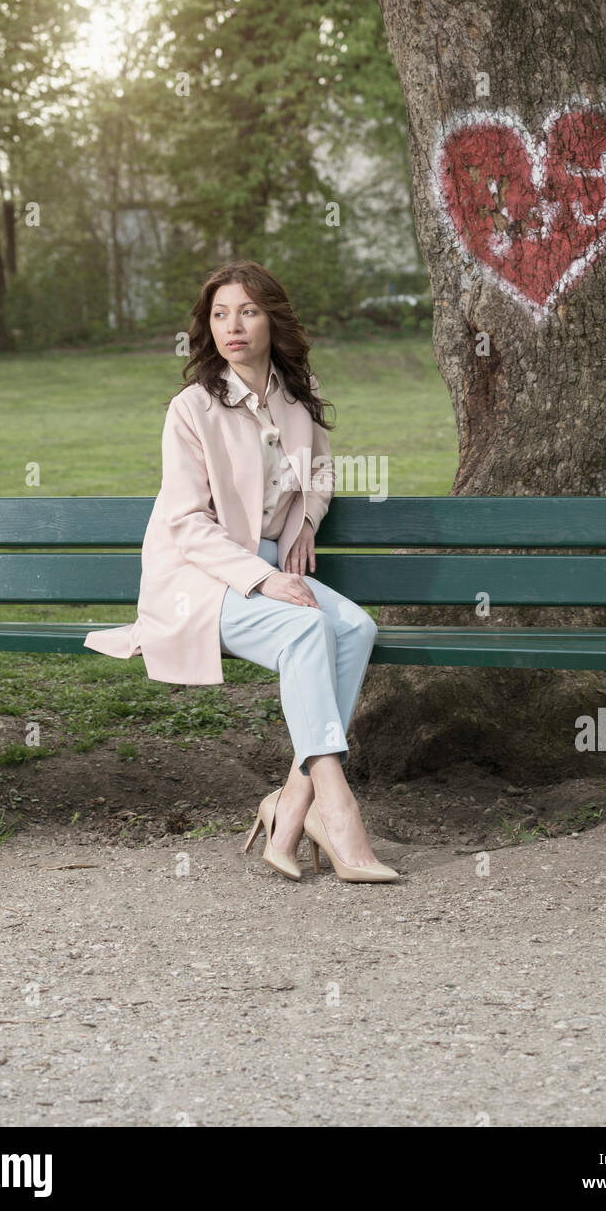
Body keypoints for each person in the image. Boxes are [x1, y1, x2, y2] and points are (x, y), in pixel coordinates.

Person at [84, 259, 398, 884]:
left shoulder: (294, 395)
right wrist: (261, 578)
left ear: (271, 321)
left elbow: (322, 471)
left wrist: (305, 520)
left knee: (356, 629)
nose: (233, 326)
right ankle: (337, 811)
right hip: (197, 579)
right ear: (208, 326)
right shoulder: (192, 409)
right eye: (220, 314)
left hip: (262, 564)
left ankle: (288, 805)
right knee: (306, 631)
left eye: (248, 311)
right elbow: (186, 523)